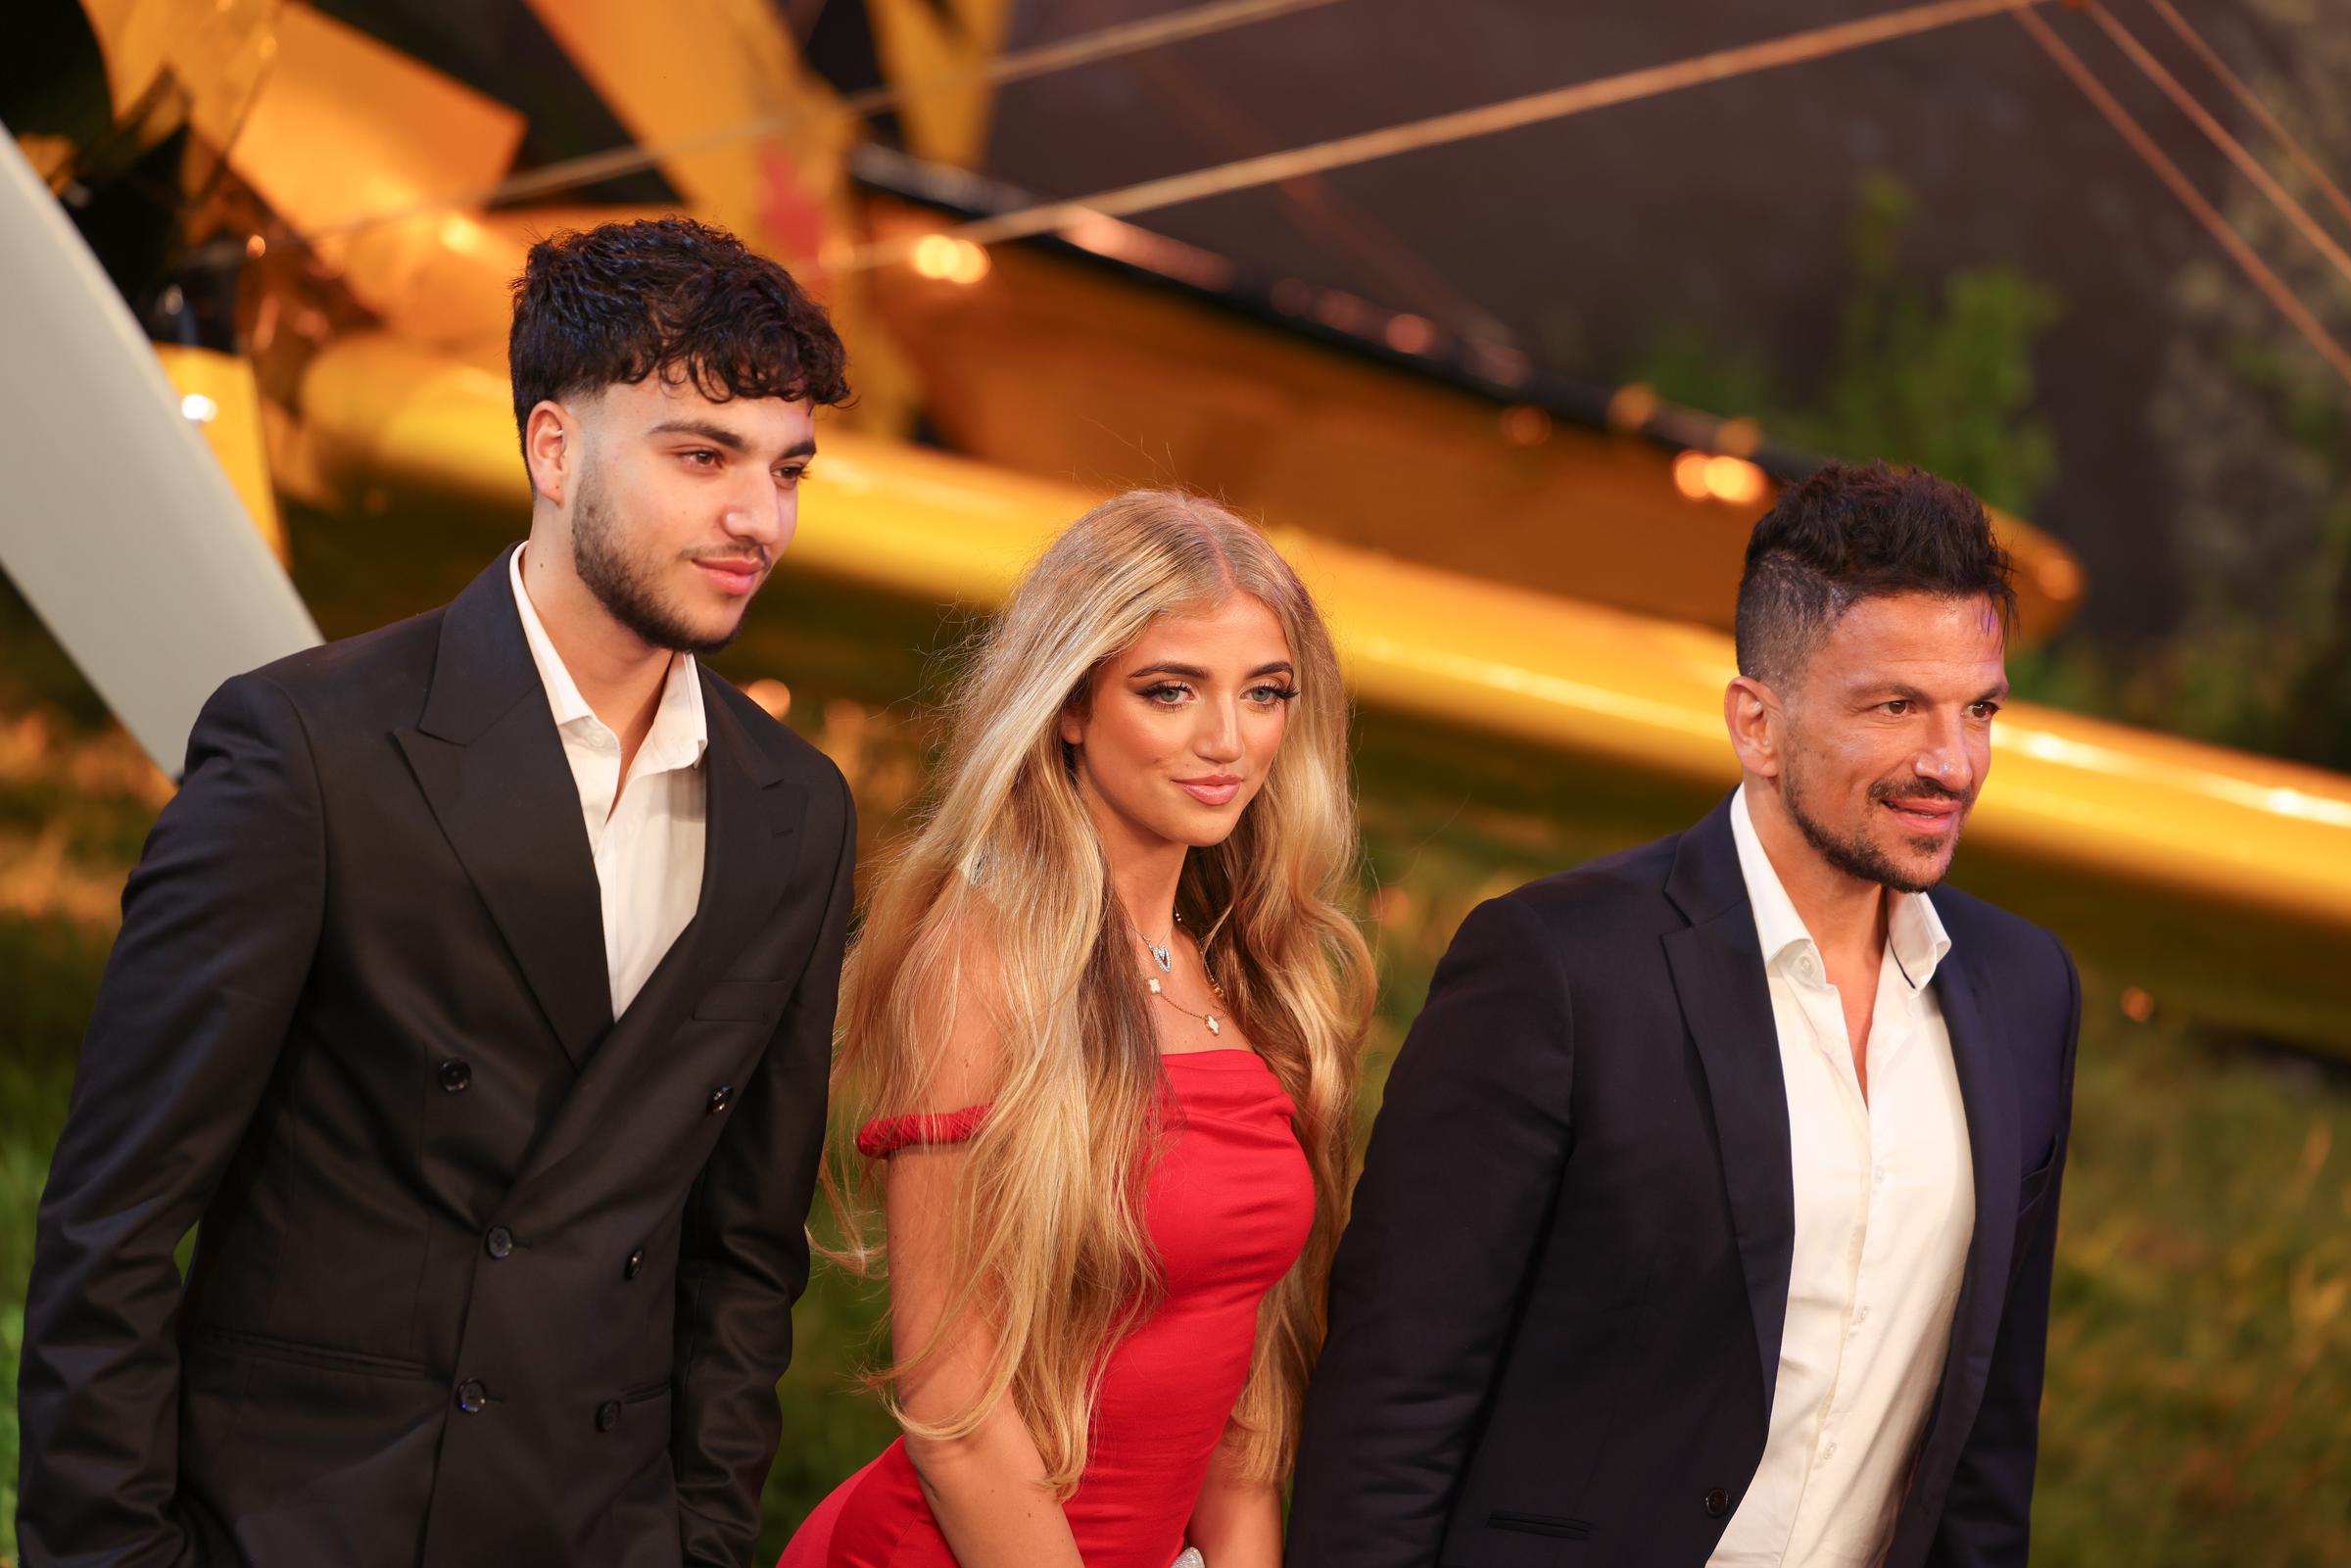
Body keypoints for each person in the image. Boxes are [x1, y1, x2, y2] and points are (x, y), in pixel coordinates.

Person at [17, 216, 856, 1568]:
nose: (758, 517)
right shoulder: (309, 751)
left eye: (786, 469)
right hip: (300, 1525)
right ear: (552, 446)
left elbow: (745, 1257)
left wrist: (700, 1540)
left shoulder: (795, 810)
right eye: (703, 457)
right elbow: (112, 1222)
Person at [1289, 461, 2082, 1568]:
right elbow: (1393, 1400)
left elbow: (1989, 1436)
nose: (1950, 762)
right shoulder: (1557, 967)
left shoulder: (2025, 989)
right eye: (1896, 705)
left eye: (1979, 708)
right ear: (1757, 722)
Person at [778, 491, 1373, 1568]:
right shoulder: (978, 956)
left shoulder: (1248, 973)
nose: (1228, 740)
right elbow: (953, 1405)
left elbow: (1240, 1397)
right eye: (1170, 689)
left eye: (1266, 692)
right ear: (1068, 704)